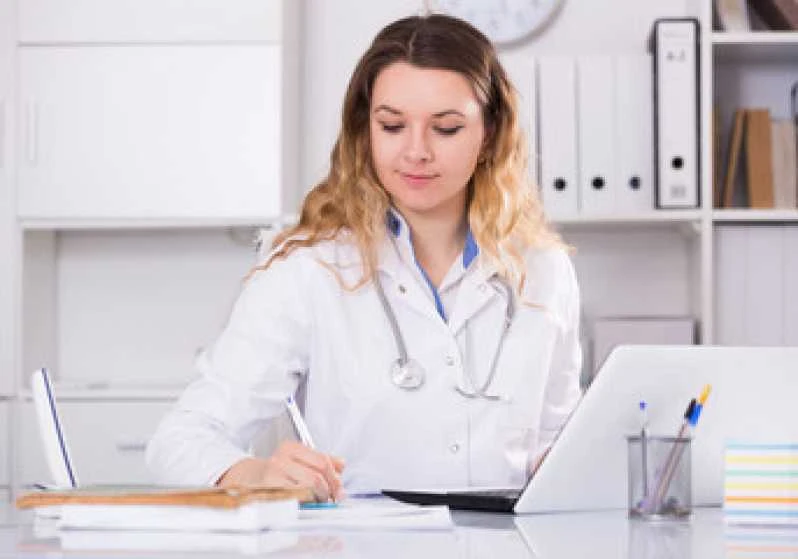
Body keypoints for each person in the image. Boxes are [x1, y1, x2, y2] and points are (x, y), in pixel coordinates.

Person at [146, 13, 582, 502]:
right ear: (365, 130)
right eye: (392, 125)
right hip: (360, 538)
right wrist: (253, 473)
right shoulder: (308, 268)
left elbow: (562, 445)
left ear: (490, 134)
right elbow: (180, 442)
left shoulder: (544, 270)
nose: (416, 151)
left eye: (446, 128)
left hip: (506, 539)